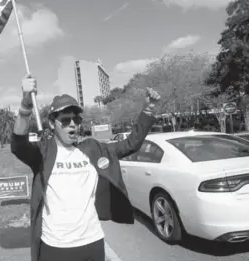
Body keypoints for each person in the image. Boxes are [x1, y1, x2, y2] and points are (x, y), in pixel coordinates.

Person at [11, 74, 161, 261]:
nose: (72, 124)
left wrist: (148, 110)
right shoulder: (43, 152)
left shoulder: (92, 148)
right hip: (56, 246)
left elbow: (130, 144)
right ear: (52, 123)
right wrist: (26, 105)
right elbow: (18, 144)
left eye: (76, 119)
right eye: (65, 120)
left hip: (93, 242)